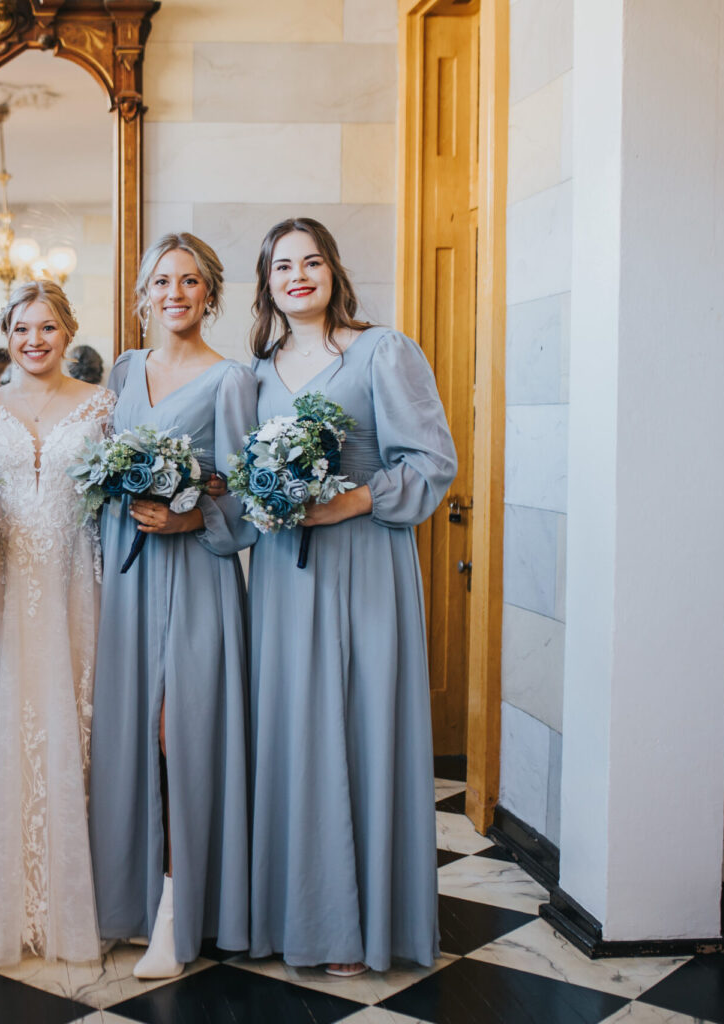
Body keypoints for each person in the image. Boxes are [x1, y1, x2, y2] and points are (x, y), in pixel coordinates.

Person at [245, 217, 455, 975]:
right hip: (280, 575)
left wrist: (352, 501)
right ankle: (294, 912)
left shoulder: (381, 350)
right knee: (292, 732)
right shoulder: (259, 372)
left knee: (361, 726)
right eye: (282, 267)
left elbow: (432, 461)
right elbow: (243, 483)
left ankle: (358, 926)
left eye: (311, 262)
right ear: (266, 283)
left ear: (333, 270)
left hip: (365, 563)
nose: (298, 276)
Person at [87, 233, 255, 979]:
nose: (176, 293)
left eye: (190, 282)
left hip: (196, 575)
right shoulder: (126, 370)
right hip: (127, 579)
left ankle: (181, 913)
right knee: (128, 733)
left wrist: (195, 517)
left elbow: (251, 498)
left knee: (177, 734)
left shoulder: (233, 380)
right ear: (143, 295)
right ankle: (133, 898)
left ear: (210, 294)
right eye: (163, 282)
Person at [0, 282, 114, 968]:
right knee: (0, 723)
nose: (35, 340)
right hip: (1, 587)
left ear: (68, 332)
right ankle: (0, 897)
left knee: (77, 724)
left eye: (47, 328)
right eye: (22, 329)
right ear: (7, 334)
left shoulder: (103, 406)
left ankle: (78, 896)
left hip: (79, 587)